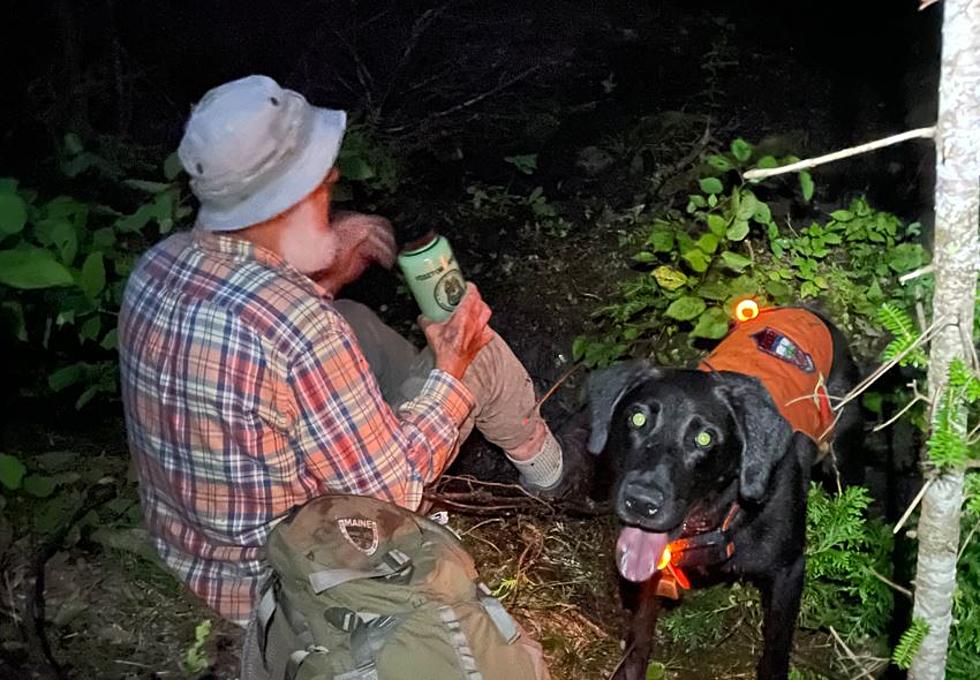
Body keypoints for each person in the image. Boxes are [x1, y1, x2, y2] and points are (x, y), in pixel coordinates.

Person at [117, 74, 589, 640]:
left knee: (356, 322)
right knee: (478, 351)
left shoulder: (156, 267)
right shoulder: (299, 325)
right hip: (288, 589)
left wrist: (335, 262)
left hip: (198, 555)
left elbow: (260, 313)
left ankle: (455, 422)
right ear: (293, 196)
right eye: (324, 185)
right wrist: (453, 369)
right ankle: (554, 479)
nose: (332, 190)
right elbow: (395, 490)